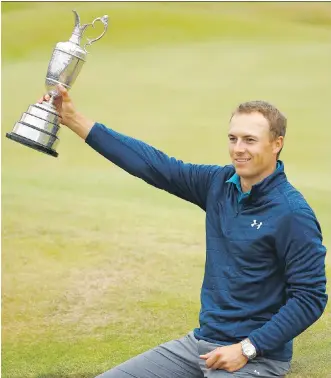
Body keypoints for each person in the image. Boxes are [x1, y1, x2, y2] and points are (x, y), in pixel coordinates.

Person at [39, 85, 328, 378]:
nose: (238, 149)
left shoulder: (292, 214)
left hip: (257, 358)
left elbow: (310, 296)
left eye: (250, 140)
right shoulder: (218, 183)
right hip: (199, 346)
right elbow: (155, 166)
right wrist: (73, 119)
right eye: (233, 138)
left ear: (276, 144)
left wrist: (247, 348)